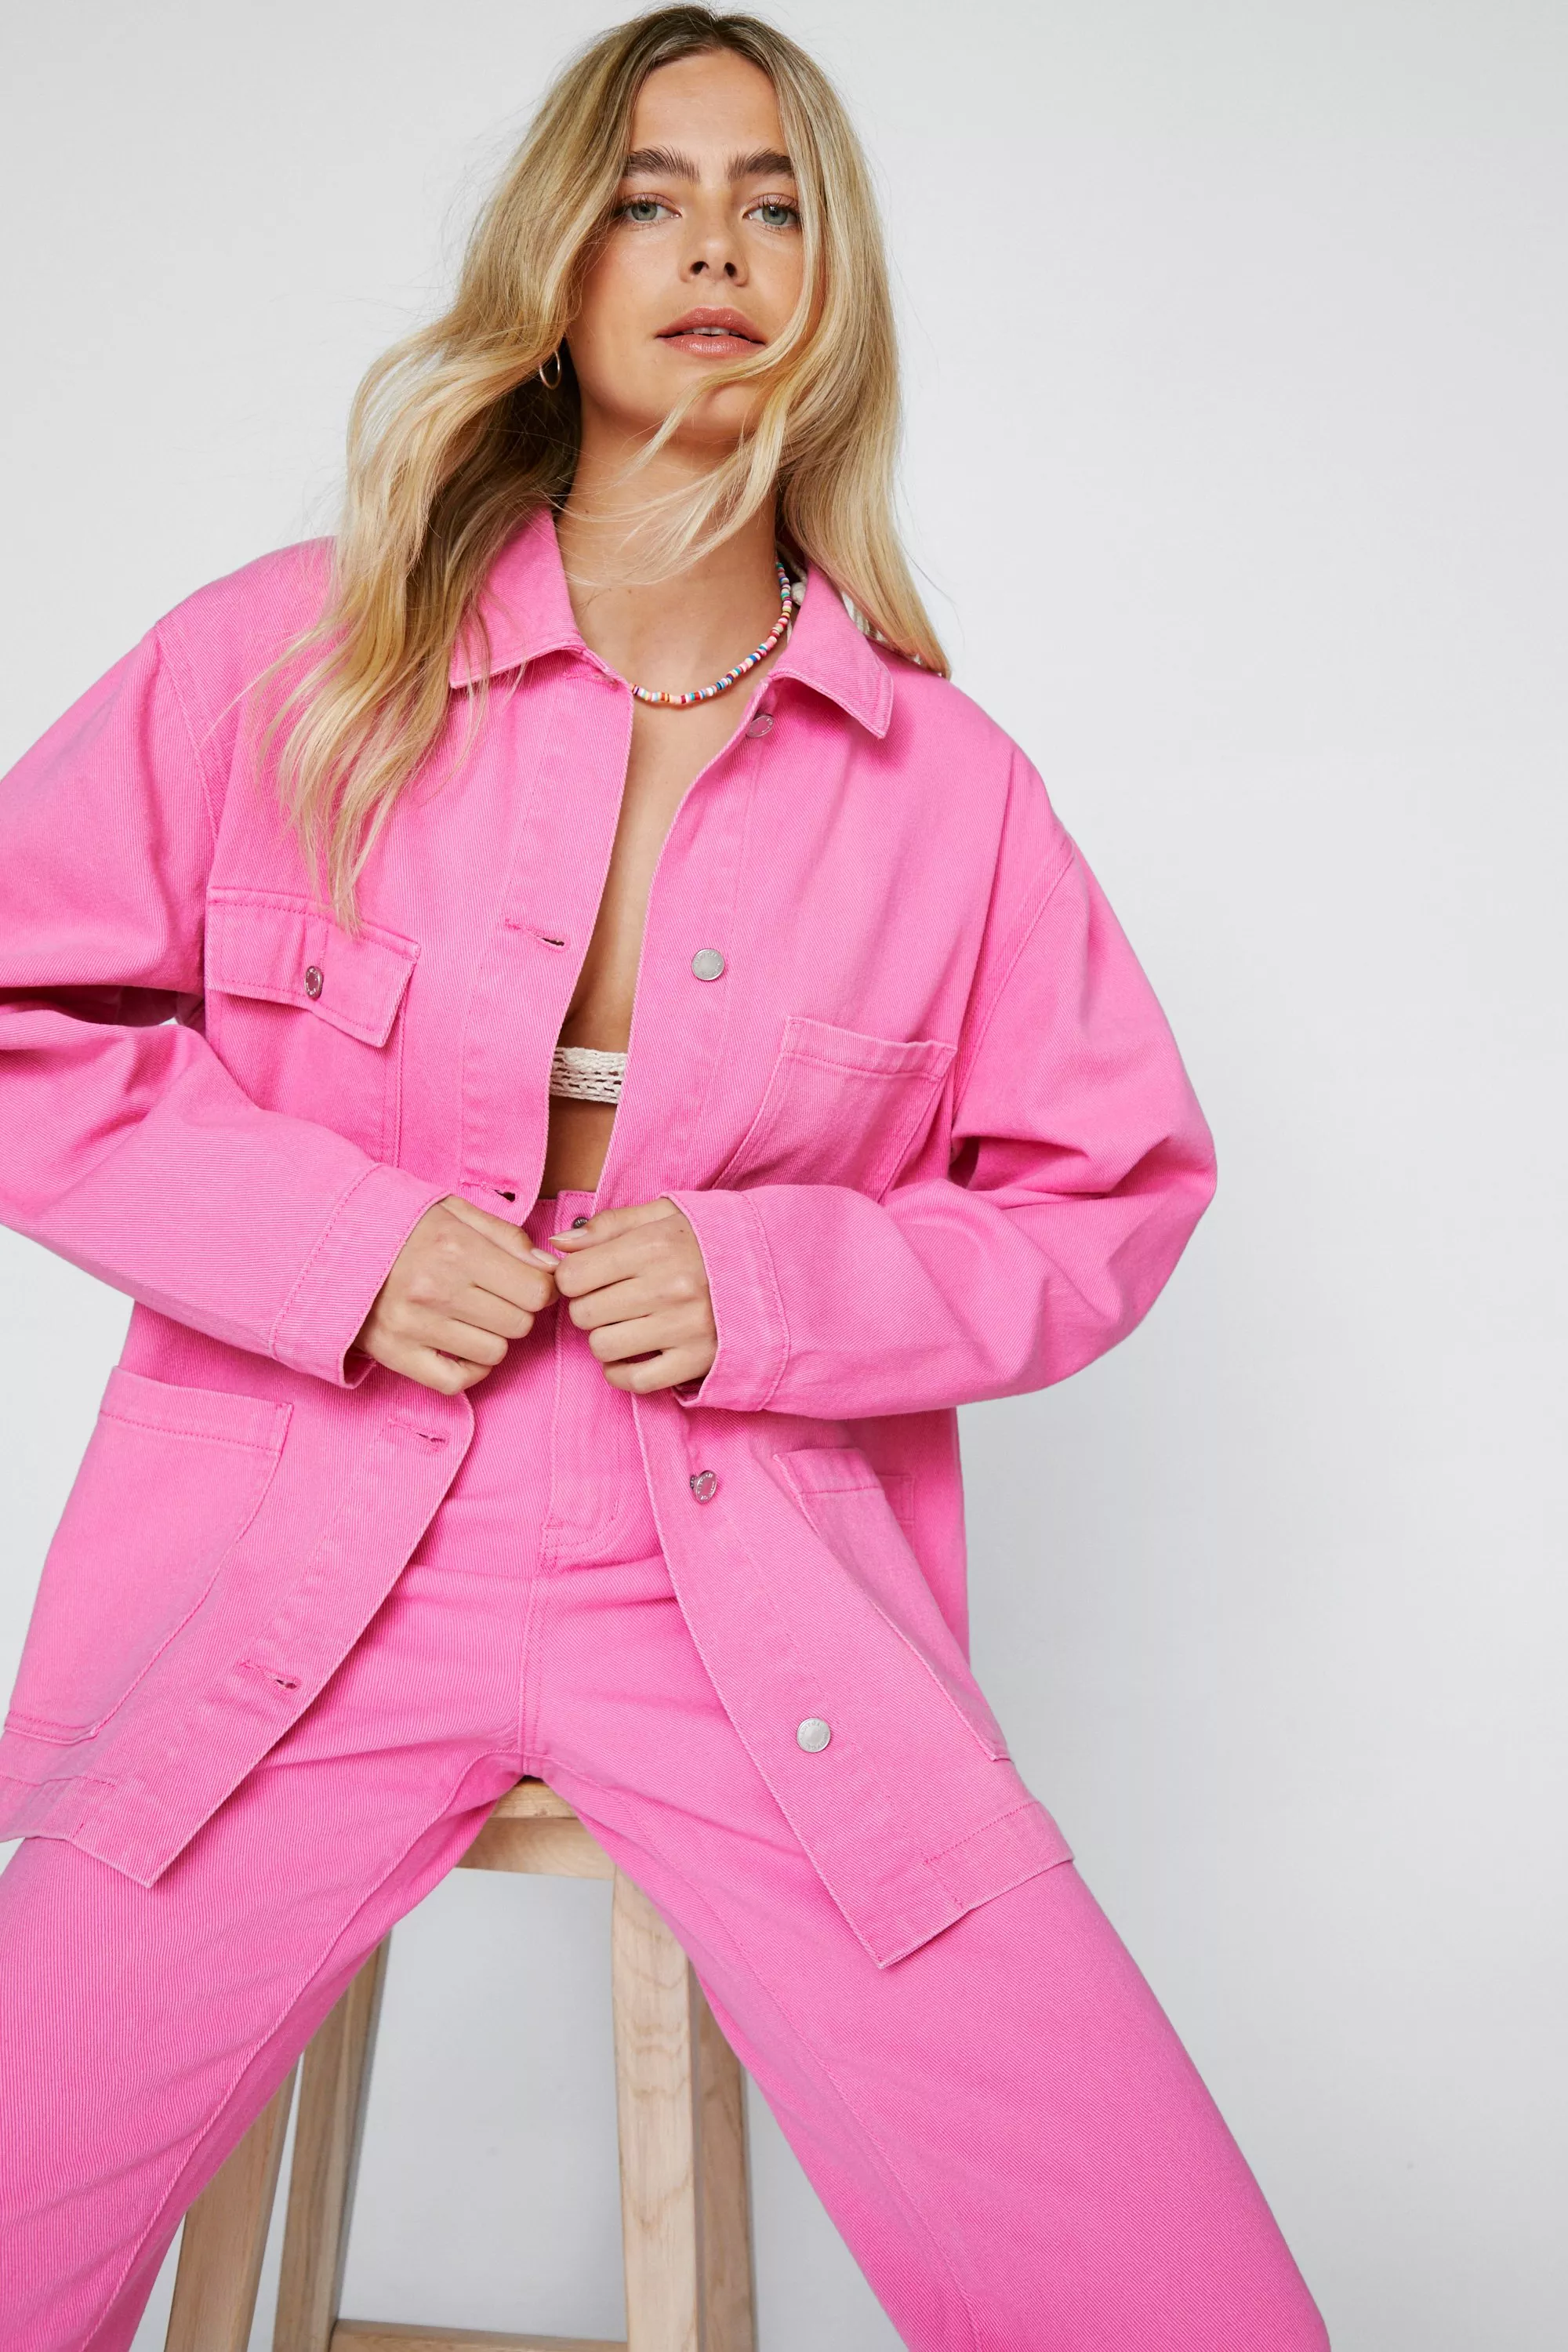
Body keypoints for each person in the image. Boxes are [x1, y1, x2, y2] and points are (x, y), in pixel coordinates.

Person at [0, 9, 1329, 2347]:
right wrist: (330, 1245)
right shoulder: (295, 660)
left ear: (834, 285)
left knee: (1158, 2291)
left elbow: (1107, 1192)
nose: (715, 246)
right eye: (648, 194)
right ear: (559, 262)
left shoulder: (945, 787)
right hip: (299, 1567)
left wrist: (782, 1283)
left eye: (774, 199)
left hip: (749, 1601)